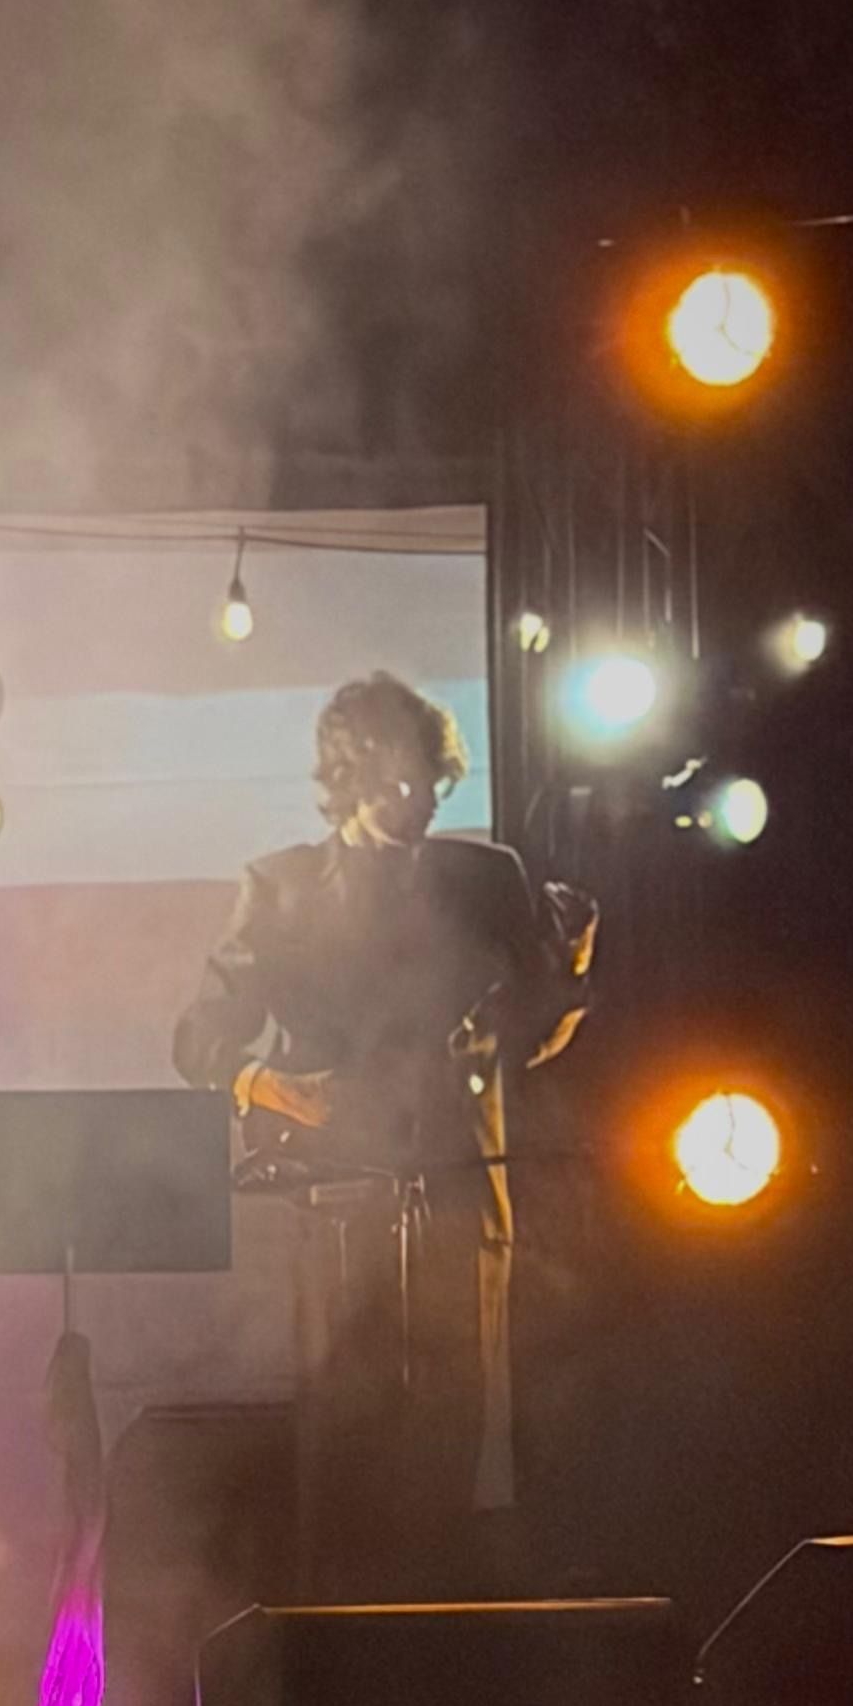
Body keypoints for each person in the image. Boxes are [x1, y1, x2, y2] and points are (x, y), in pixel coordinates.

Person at [173, 670, 593, 1595]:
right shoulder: (281, 887)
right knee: (347, 1423)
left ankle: (453, 1612)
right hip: (334, 1194)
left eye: (433, 781)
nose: (423, 801)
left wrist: (568, 974)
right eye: (403, 781)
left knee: (461, 1420)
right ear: (350, 777)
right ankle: (340, 1617)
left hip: (461, 1179)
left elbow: (530, 1034)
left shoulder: (488, 878)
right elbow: (199, 1039)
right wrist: (271, 1088)